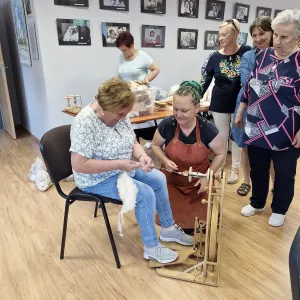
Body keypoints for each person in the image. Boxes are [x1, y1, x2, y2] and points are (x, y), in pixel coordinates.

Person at [70, 77, 194, 263]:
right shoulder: (85, 122)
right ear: (104, 107)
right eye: (120, 115)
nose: (122, 118)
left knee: (158, 178)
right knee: (143, 194)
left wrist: (142, 156)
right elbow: (79, 165)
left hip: (122, 168)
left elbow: (132, 141)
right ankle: (151, 247)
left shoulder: (120, 111)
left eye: (125, 114)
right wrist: (119, 164)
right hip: (96, 179)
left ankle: (168, 230)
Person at [235, 9, 300, 227]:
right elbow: (249, 86)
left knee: (283, 173)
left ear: (298, 38)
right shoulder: (262, 55)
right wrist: (241, 109)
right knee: (258, 167)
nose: (278, 41)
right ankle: (257, 202)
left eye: (285, 37)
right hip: (256, 125)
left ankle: (280, 209)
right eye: (276, 35)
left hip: (286, 130)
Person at [152, 81, 225, 231]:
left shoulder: (208, 129)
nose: (179, 114)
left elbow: (220, 154)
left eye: (184, 110)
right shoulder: (167, 124)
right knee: (171, 224)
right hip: (172, 183)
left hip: (198, 185)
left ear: (197, 108)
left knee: (200, 225)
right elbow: (155, 145)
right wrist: (165, 161)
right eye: (175, 109)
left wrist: (207, 176)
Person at [200, 19, 251, 184]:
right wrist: (196, 98)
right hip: (219, 102)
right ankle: (220, 166)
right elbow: (205, 80)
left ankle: (235, 170)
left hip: (240, 103)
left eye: (224, 34)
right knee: (221, 136)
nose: (220, 38)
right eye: (219, 34)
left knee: (237, 137)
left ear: (235, 34)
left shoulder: (247, 52)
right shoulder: (214, 57)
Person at [232, 17, 274, 196]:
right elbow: (246, 82)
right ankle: (246, 181)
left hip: (272, 109)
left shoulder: (280, 55)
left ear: (272, 33)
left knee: (271, 149)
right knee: (245, 146)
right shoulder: (249, 56)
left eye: (262, 33)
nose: (258, 39)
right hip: (247, 105)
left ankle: (275, 185)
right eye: (254, 35)